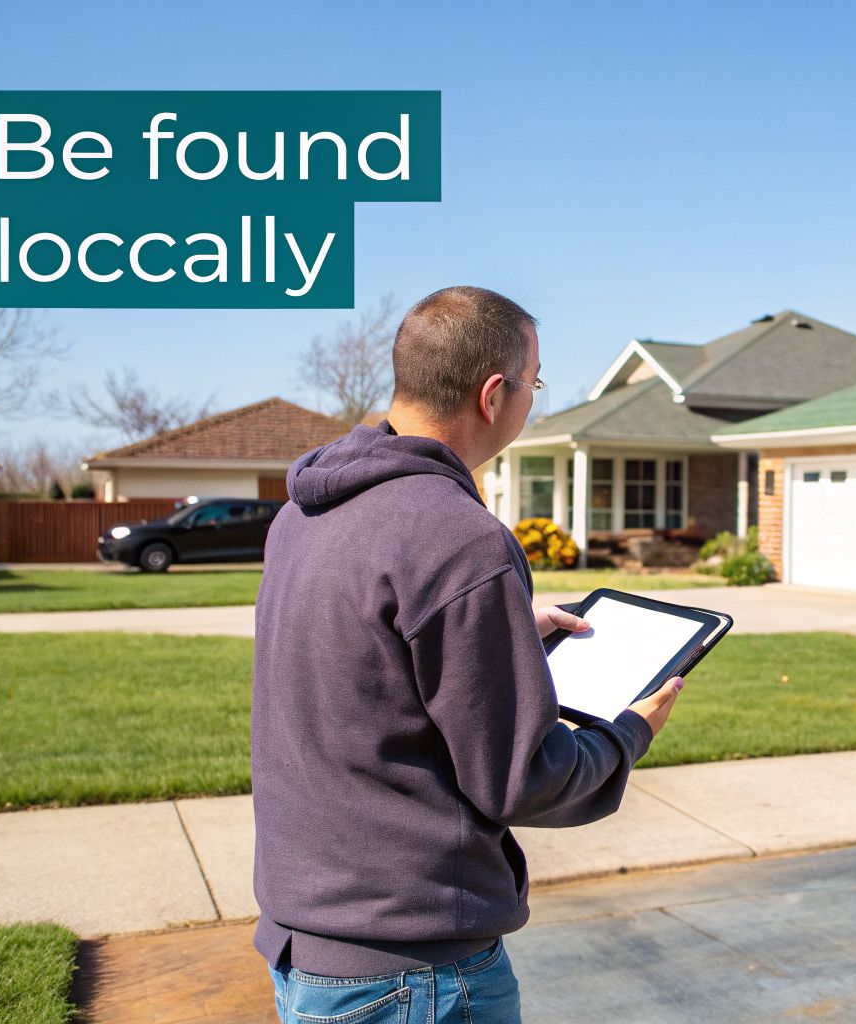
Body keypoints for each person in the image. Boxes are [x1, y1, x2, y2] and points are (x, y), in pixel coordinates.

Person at [251, 286, 682, 1024]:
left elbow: (361, 658)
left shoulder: (306, 511)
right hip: (412, 975)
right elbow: (523, 781)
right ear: (493, 393)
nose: (533, 402)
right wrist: (628, 734)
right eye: (534, 385)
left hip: (309, 944)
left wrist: (497, 627)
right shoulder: (458, 537)